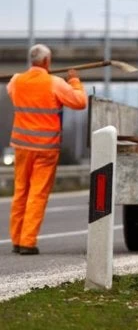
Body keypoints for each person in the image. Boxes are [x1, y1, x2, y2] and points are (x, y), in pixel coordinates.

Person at [6, 44, 87, 255]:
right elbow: (79, 102)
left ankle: (17, 240)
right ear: (47, 62)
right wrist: (75, 81)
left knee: (20, 192)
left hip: (22, 146)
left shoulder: (16, 80)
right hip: (45, 149)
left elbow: (11, 91)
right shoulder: (54, 83)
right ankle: (28, 242)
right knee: (37, 194)